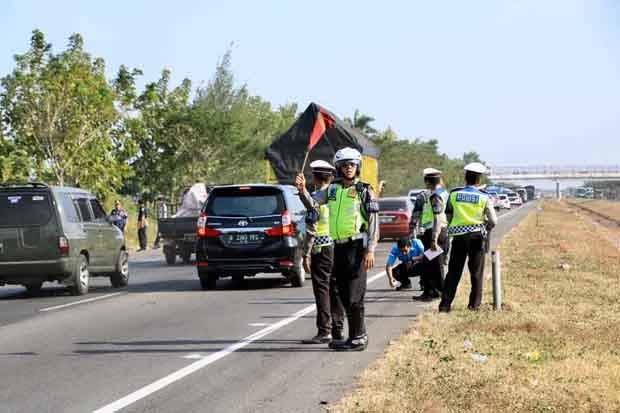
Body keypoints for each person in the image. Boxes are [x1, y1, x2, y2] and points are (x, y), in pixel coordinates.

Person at [296, 147, 379, 351]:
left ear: (357, 166)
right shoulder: (332, 189)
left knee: (354, 295)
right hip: (337, 247)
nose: (349, 168)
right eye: (344, 165)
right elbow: (314, 205)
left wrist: (370, 250)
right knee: (341, 294)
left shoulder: (364, 190)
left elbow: (374, 222)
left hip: (357, 246)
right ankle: (352, 337)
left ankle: (359, 337)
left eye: (352, 164)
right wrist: (302, 191)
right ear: (338, 168)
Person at [439, 162, 498, 312]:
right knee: (476, 273)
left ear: (465, 178)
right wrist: (486, 227)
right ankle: (474, 305)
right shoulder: (484, 197)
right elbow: (493, 220)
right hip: (477, 238)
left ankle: (445, 305)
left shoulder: (454, 194)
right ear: (479, 180)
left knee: (453, 272)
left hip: (458, 238)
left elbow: (448, 215)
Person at [298, 160, 345, 344]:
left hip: (321, 249)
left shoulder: (317, 198)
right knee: (336, 289)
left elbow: (311, 229)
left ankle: (324, 330)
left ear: (315, 178)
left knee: (322, 290)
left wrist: (305, 254)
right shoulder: (335, 197)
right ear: (331, 177)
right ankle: (338, 329)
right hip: (336, 247)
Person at [413, 168, 450, 301]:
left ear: (427, 182)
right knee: (430, 263)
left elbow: (437, 218)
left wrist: (434, 238)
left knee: (434, 264)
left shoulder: (435, 195)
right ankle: (430, 291)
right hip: (440, 231)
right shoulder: (444, 192)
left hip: (434, 232)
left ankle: (437, 292)